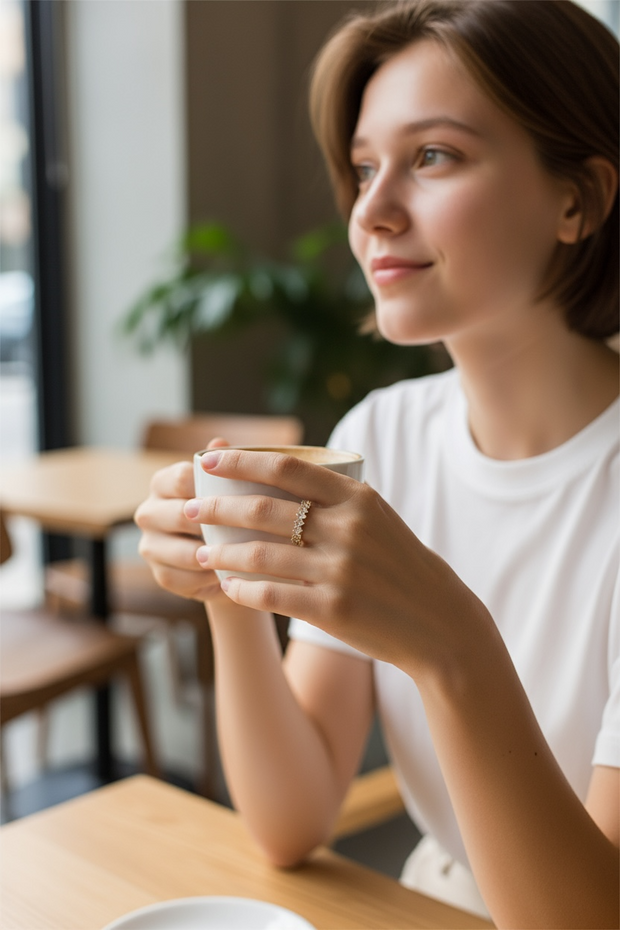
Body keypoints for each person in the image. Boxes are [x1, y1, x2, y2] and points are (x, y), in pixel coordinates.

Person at [134, 1, 619, 925]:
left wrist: (452, 648)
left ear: (577, 198)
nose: (371, 212)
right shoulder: (384, 434)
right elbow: (291, 820)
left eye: (433, 155)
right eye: (363, 168)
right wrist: (226, 585)